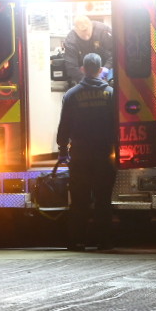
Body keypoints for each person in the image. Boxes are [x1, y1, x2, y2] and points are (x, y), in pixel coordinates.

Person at [56, 51, 117, 250]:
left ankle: (76, 241)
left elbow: (64, 124)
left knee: (79, 199)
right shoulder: (111, 94)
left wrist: (62, 150)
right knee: (102, 199)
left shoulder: (71, 95)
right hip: (104, 154)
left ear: (83, 69)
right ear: (101, 70)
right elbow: (118, 125)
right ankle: (104, 241)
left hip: (80, 155)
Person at [63, 14, 114, 84]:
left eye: (88, 34)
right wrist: (86, 82)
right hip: (83, 71)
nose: (86, 37)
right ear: (75, 30)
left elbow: (116, 53)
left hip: (105, 67)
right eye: (82, 35)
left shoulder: (104, 31)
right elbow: (71, 67)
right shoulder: (71, 41)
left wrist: (106, 69)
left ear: (91, 25)